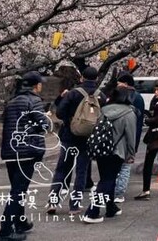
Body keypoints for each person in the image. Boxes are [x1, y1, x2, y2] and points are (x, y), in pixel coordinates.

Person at [0, 72, 50, 241]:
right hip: (27, 151)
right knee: (18, 191)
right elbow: (44, 125)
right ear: (36, 85)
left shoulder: (12, 101)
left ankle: (20, 222)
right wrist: (47, 118)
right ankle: (5, 231)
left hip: (10, 151)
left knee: (17, 189)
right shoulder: (34, 101)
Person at [47, 66, 103, 215]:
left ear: (81, 78)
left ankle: (53, 202)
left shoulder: (73, 93)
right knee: (81, 171)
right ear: (96, 78)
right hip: (88, 138)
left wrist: (69, 120)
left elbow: (59, 113)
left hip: (69, 136)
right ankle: (74, 205)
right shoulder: (100, 96)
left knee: (62, 169)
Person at [82, 86, 138, 224]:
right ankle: (92, 212)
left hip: (102, 149)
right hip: (117, 152)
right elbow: (131, 136)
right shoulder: (129, 113)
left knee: (107, 179)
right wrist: (131, 154)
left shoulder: (104, 110)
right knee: (107, 180)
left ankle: (111, 207)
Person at [112, 73, 145, 203]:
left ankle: (117, 191)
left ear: (125, 83)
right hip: (129, 137)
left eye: (119, 83)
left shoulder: (123, 96)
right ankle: (119, 192)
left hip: (118, 138)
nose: (117, 85)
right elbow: (138, 122)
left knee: (121, 166)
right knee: (125, 166)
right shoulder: (138, 98)